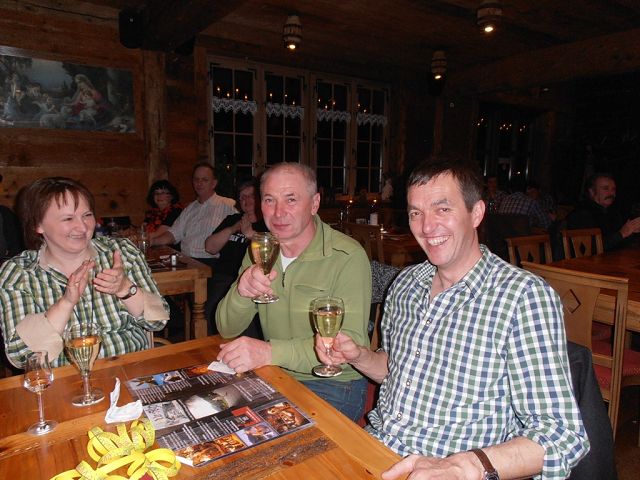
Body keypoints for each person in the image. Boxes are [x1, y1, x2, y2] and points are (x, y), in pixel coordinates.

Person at [316, 156, 588, 479]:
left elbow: (561, 435)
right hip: (375, 449)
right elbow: (395, 370)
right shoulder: (405, 285)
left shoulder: (522, 298)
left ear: (477, 213)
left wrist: (466, 466)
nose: (426, 227)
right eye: (416, 213)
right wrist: (358, 356)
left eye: (442, 209)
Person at [216, 163, 371, 422]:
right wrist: (242, 292)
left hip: (332, 384)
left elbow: (347, 347)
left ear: (314, 203)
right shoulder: (261, 250)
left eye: (291, 199)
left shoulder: (347, 256)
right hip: (275, 373)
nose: (278, 212)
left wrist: (268, 352)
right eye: (269, 200)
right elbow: (226, 328)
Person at [0, 177, 169, 368]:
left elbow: (158, 321)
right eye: (68, 218)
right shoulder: (19, 273)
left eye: (87, 215)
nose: (82, 227)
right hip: (64, 380)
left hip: (132, 372)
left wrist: (125, 288)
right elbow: (22, 356)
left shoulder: (122, 252)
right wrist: (66, 303)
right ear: (37, 225)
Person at [204, 178, 266, 336]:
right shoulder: (232, 220)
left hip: (251, 279)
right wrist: (232, 229)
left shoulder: (267, 223)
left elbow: (273, 248)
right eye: (242, 197)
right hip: (223, 278)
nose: (246, 200)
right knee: (213, 311)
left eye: (251, 195)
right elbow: (210, 247)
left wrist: (250, 234)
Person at [151, 162, 236, 260]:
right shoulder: (189, 208)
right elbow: (173, 234)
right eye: (196, 179)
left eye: (204, 180)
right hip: (185, 260)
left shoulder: (228, 205)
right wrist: (150, 242)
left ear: (214, 183)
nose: (199, 183)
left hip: (211, 262)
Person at [566, 172, 640, 251]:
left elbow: (619, 243)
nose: (611, 193)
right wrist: (622, 234)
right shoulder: (580, 214)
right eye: (605, 188)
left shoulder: (613, 212)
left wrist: (631, 232)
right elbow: (588, 249)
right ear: (592, 192)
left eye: (613, 189)